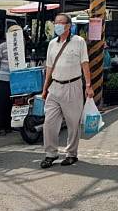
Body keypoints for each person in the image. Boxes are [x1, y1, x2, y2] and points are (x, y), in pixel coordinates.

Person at [40, 13, 93, 169]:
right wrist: (45, 89)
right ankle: (50, 153)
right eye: (55, 22)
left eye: (61, 23)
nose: (57, 25)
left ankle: (71, 154)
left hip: (73, 86)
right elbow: (49, 67)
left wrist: (88, 85)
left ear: (68, 26)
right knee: (49, 122)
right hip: (54, 87)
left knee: (73, 122)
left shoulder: (79, 42)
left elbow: (85, 64)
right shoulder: (52, 44)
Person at [0, 38, 12, 134]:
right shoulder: (2, 46)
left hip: (12, 80)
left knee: (9, 103)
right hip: (2, 79)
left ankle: (7, 126)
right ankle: (1, 126)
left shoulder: (19, 46)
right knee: (2, 103)